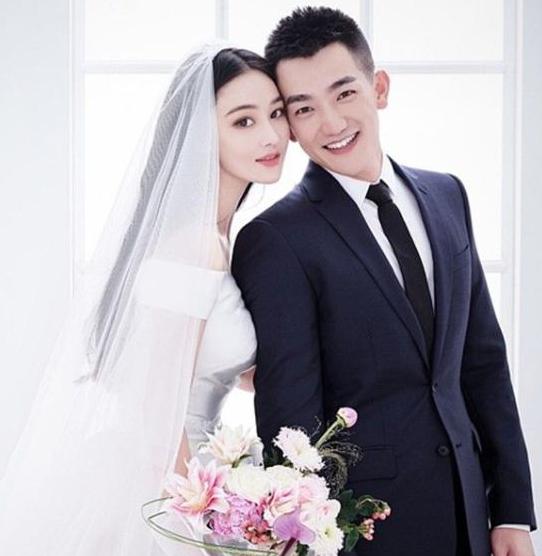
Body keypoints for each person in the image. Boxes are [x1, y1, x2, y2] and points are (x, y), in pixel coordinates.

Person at [231, 7, 537, 556]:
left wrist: (512, 510)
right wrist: (306, 536)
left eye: (344, 93)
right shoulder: (276, 239)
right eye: (305, 108)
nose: (331, 123)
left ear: (379, 88)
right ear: (291, 127)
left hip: (471, 515)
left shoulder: (448, 195)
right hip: (367, 529)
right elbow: (291, 419)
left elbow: (483, 361)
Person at [0, 43, 289, 556]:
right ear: (202, 135)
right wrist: (199, 530)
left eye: (277, 113)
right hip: (165, 478)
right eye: (243, 121)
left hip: (188, 469)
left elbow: (206, 366)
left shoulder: (217, 239)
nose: (271, 135)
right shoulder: (195, 246)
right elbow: (158, 413)